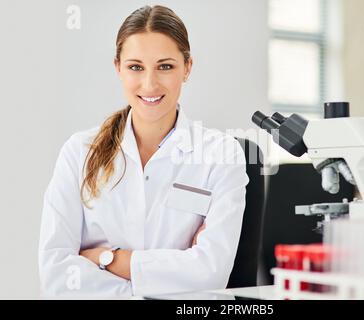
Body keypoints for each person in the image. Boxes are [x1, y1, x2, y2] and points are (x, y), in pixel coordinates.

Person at [38, 5, 249, 298]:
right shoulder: (79, 152)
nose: (149, 83)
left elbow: (211, 272)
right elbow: (58, 275)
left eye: (165, 66)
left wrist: (107, 259)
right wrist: (169, 277)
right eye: (135, 67)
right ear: (118, 68)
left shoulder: (221, 154)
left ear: (187, 68)